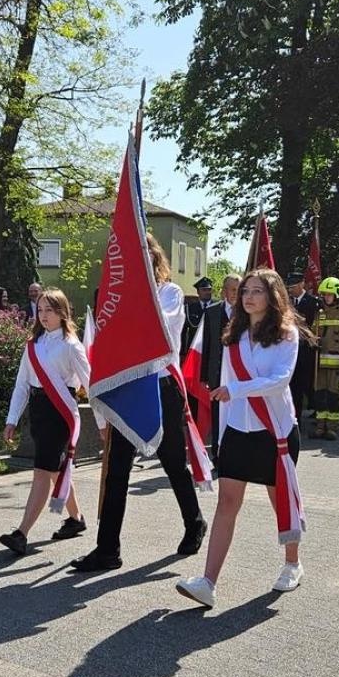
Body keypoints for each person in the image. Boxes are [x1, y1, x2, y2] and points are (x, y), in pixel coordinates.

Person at [176, 269, 311, 609]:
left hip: (274, 431)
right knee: (226, 504)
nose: (248, 297)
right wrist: (221, 435)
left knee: (279, 498)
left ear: (273, 296)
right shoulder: (233, 334)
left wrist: (236, 390)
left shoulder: (287, 334)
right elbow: (223, 386)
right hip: (237, 431)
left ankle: (292, 563)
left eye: (257, 291)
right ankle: (208, 583)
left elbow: (279, 382)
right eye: (245, 291)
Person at [72, 234, 207, 573]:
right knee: (117, 471)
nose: (137, 259)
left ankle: (195, 522)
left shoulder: (170, 293)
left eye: (143, 253)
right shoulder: (116, 298)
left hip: (161, 389)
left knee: (173, 462)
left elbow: (157, 332)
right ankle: (107, 550)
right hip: (127, 390)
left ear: (154, 256)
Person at [0, 288, 91, 554]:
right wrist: (12, 419)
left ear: (62, 312)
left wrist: (102, 422)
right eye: (40, 310)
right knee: (54, 470)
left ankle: (21, 533)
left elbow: (89, 383)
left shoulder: (72, 345)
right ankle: (75, 519)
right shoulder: (33, 345)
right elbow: (21, 385)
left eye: (49, 310)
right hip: (38, 412)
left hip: (59, 412)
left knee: (42, 471)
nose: (43, 315)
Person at [189, 273, 239, 452]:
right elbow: (207, 345)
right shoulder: (212, 311)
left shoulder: (246, 312)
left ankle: (233, 452)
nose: (236, 293)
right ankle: (217, 453)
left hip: (237, 374)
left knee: (235, 414)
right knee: (218, 414)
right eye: (232, 289)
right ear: (224, 291)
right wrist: (204, 376)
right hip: (216, 373)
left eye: (239, 289)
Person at [309, 277, 339, 441]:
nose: (326, 297)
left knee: (333, 396)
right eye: (324, 295)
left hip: (338, 365)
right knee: (320, 395)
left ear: (338, 295)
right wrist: (313, 342)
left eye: (329, 295)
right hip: (320, 364)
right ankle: (320, 426)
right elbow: (312, 333)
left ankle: (332, 428)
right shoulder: (320, 314)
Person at [286, 273, 319, 423]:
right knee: (293, 385)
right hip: (291, 348)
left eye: (293, 286)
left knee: (307, 384)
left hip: (307, 350)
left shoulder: (313, 303)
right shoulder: (287, 303)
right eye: (289, 287)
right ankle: (295, 417)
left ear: (302, 284)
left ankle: (315, 412)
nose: (290, 289)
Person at [183, 277, 213, 364]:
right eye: (204, 290)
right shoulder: (190, 308)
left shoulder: (218, 307)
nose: (207, 292)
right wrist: (183, 352)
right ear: (198, 292)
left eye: (209, 289)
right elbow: (183, 332)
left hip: (211, 350)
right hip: (194, 349)